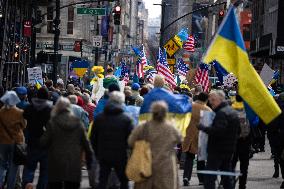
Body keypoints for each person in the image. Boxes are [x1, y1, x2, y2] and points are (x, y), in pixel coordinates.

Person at [40, 97, 93, 189]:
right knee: (72, 185)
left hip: (56, 161)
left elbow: (43, 142)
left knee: (55, 185)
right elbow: (86, 143)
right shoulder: (78, 123)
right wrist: (89, 160)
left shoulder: (52, 123)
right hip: (74, 161)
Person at [128, 101, 182, 189]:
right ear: (165, 113)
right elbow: (179, 139)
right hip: (165, 167)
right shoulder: (171, 128)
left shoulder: (143, 127)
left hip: (145, 166)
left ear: (152, 112)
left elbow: (130, 142)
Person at [90, 91, 134, 189]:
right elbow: (131, 139)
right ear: (121, 102)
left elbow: (93, 138)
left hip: (103, 154)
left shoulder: (99, 118)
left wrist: (97, 152)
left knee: (103, 180)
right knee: (123, 181)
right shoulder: (127, 119)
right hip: (121, 155)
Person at [198, 90, 240, 189]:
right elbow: (238, 131)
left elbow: (218, 131)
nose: (211, 102)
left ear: (221, 99)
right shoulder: (232, 111)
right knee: (226, 176)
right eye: (210, 100)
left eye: (213, 100)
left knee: (210, 177)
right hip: (228, 149)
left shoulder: (221, 113)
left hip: (217, 150)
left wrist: (203, 127)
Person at [22, 87, 53, 189]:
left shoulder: (30, 108)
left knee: (30, 167)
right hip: (46, 144)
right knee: (44, 171)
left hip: (32, 141)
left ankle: (27, 184)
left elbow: (25, 117)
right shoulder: (50, 110)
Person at [182, 92, 212, 186]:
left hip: (189, 135)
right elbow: (209, 126)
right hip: (201, 136)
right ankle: (201, 180)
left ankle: (186, 177)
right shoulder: (208, 110)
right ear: (206, 100)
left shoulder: (189, 106)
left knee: (189, 158)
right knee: (201, 159)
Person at [0, 91, 26, 189]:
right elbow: (24, 125)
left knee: (2, 165)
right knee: (13, 167)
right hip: (16, 141)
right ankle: (10, 186)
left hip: (3, 141)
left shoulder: (1, 112)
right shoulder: (19, 112)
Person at [231, 95, 251, 189]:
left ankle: (230, 183)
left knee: (231, 164)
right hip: (245, 141)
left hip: (232, 141)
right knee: (244, 166)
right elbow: (254, 123)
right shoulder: (248, 111)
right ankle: (242, 185)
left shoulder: (230, 109)